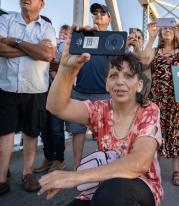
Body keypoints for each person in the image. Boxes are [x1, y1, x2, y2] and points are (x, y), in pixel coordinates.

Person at [38, 27, 163, 206]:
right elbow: (56, 106)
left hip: (141, 186)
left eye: (128, 76)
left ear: (139, 85)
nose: (120, 82)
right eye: (113, 76)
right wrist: (67, 68)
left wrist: (75, 177)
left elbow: (140, 162)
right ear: (106, 83)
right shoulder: (99, 109)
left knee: (114, 193)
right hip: (103, 183)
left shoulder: (149, 110)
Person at [0, 0, 56, 195]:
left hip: (35, 89)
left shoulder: (47, 27)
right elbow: (0, 49)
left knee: (31, 132)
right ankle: (1, 179)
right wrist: (34, 49)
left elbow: (48, 54)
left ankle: (27, 173)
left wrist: (15, 42)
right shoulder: (6, 19)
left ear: (42, 4)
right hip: (8, 87)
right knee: (4, 132)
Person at [138, 22, 179, 186]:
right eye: (164, 28)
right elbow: (143, 62)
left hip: (177, 98)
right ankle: (152, 168)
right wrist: (151, 37)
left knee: (175, 133)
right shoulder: (155, 51)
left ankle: (176, 170)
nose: (167, 30)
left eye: (171, 28)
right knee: (154, 132)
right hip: (156, 98)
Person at [65, 3, 112, 167]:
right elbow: (70, 61)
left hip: (104, 95)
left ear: (109, 18)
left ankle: (105, 172)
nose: (98, 15)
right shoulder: (83, 36)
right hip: (80, 93)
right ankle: (78, 171)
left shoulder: (114, 40)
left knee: (104, 136)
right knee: (77, 133)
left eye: (102, 13)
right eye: (95, 13)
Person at [34, 24, 71, 173]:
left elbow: (65, 65)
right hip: (42, 90)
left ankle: (59, 160)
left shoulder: (67, 48)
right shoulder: (51, 44)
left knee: (56, 128)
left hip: (57, 91)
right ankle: (48, 158)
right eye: (61, 32)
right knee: (44, 128)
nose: (63, 34)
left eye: (66, 33)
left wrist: (56, 62)